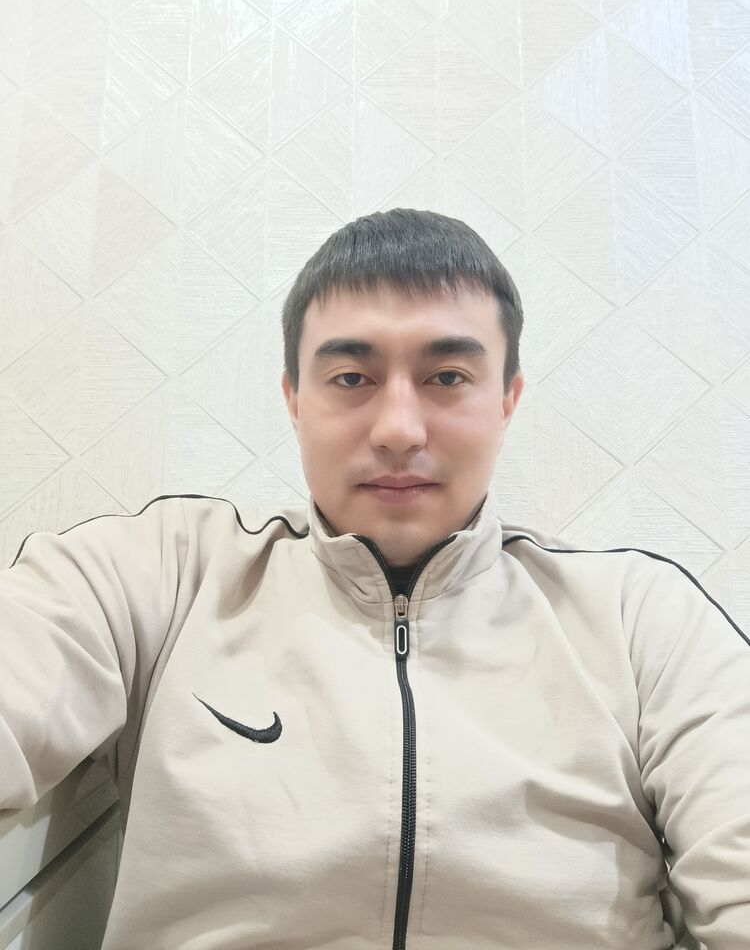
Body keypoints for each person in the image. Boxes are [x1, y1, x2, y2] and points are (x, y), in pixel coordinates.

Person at [1, 209, 748, 950]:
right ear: (295, 400)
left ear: (506, 402)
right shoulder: (161, 577)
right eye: (351, 378)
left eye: (447, 377)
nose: (397, 429)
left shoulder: (640, 620)